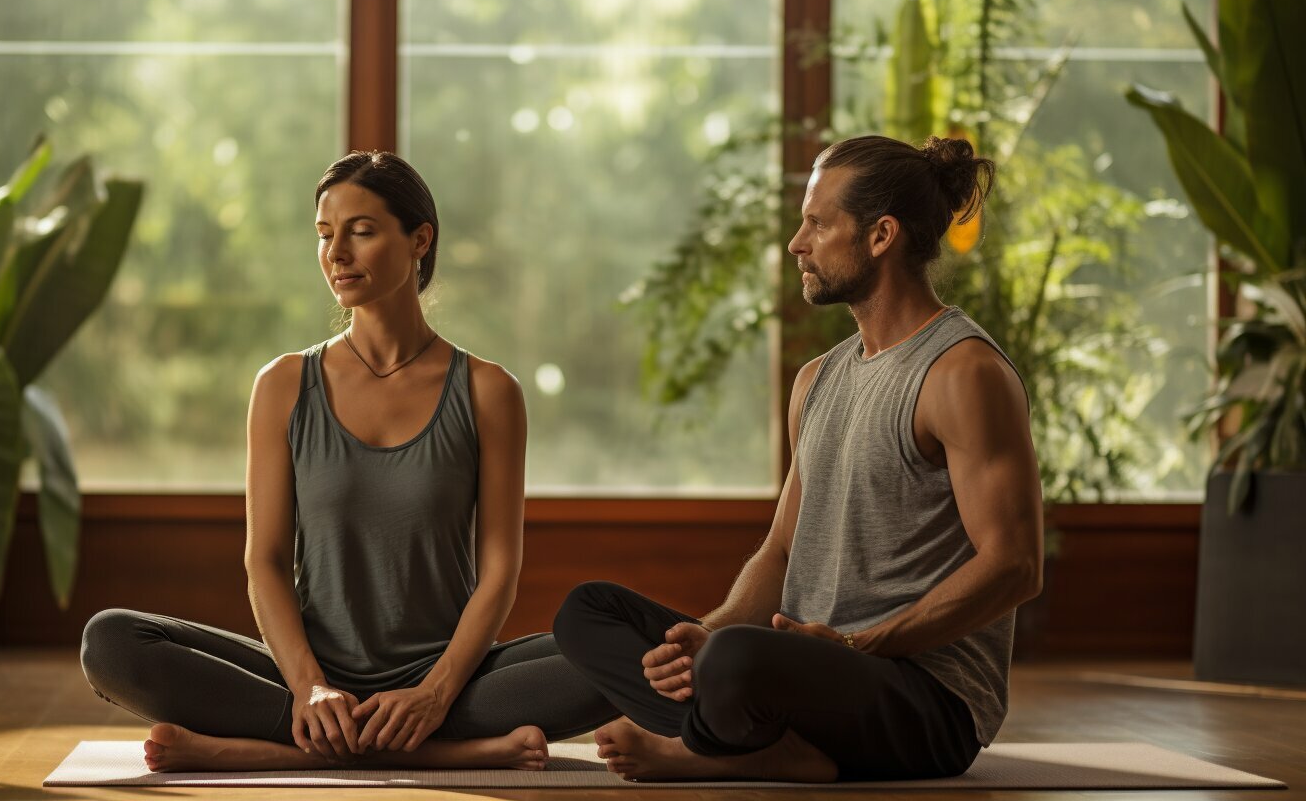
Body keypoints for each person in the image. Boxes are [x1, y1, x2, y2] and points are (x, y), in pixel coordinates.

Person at [80, 151, 615, 773]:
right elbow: (267, 561)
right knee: (112, 641)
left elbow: (500, 571)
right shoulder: (283, 385)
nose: (336, 253)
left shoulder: (489, 391)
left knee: (624, 650)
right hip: (307, 674)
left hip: (450, 680)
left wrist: (434, 693)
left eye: (361, 231)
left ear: (420, 239)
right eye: (325, 234)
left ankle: (267, 749)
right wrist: (309, 686)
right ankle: (444, 754)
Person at [553, 134, 1045, 782]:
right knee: (588, 611)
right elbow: (782, 551)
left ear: (881, 235)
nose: (796, 243)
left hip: (922, 698)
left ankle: (709, 749)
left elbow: (1015, 566)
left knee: (740, 663)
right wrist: (704, 638)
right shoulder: (817, 379)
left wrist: (855, 645)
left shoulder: (961, 373)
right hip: (798, 672)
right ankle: (768, 743)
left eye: (817, 223)